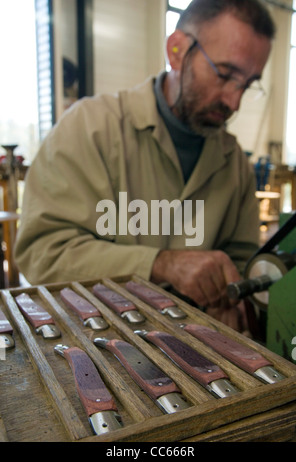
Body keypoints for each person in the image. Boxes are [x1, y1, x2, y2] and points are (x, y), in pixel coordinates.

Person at [14, 0, 275, 332]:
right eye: (224, 75)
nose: (233, 101)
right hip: (98, 342)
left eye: (248, 84)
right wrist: (159, 265)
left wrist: (230, 301)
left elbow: (243, 261)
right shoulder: (89, 128)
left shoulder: (234, 161)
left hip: (197, 347)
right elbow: (42, 254)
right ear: (177, 50)